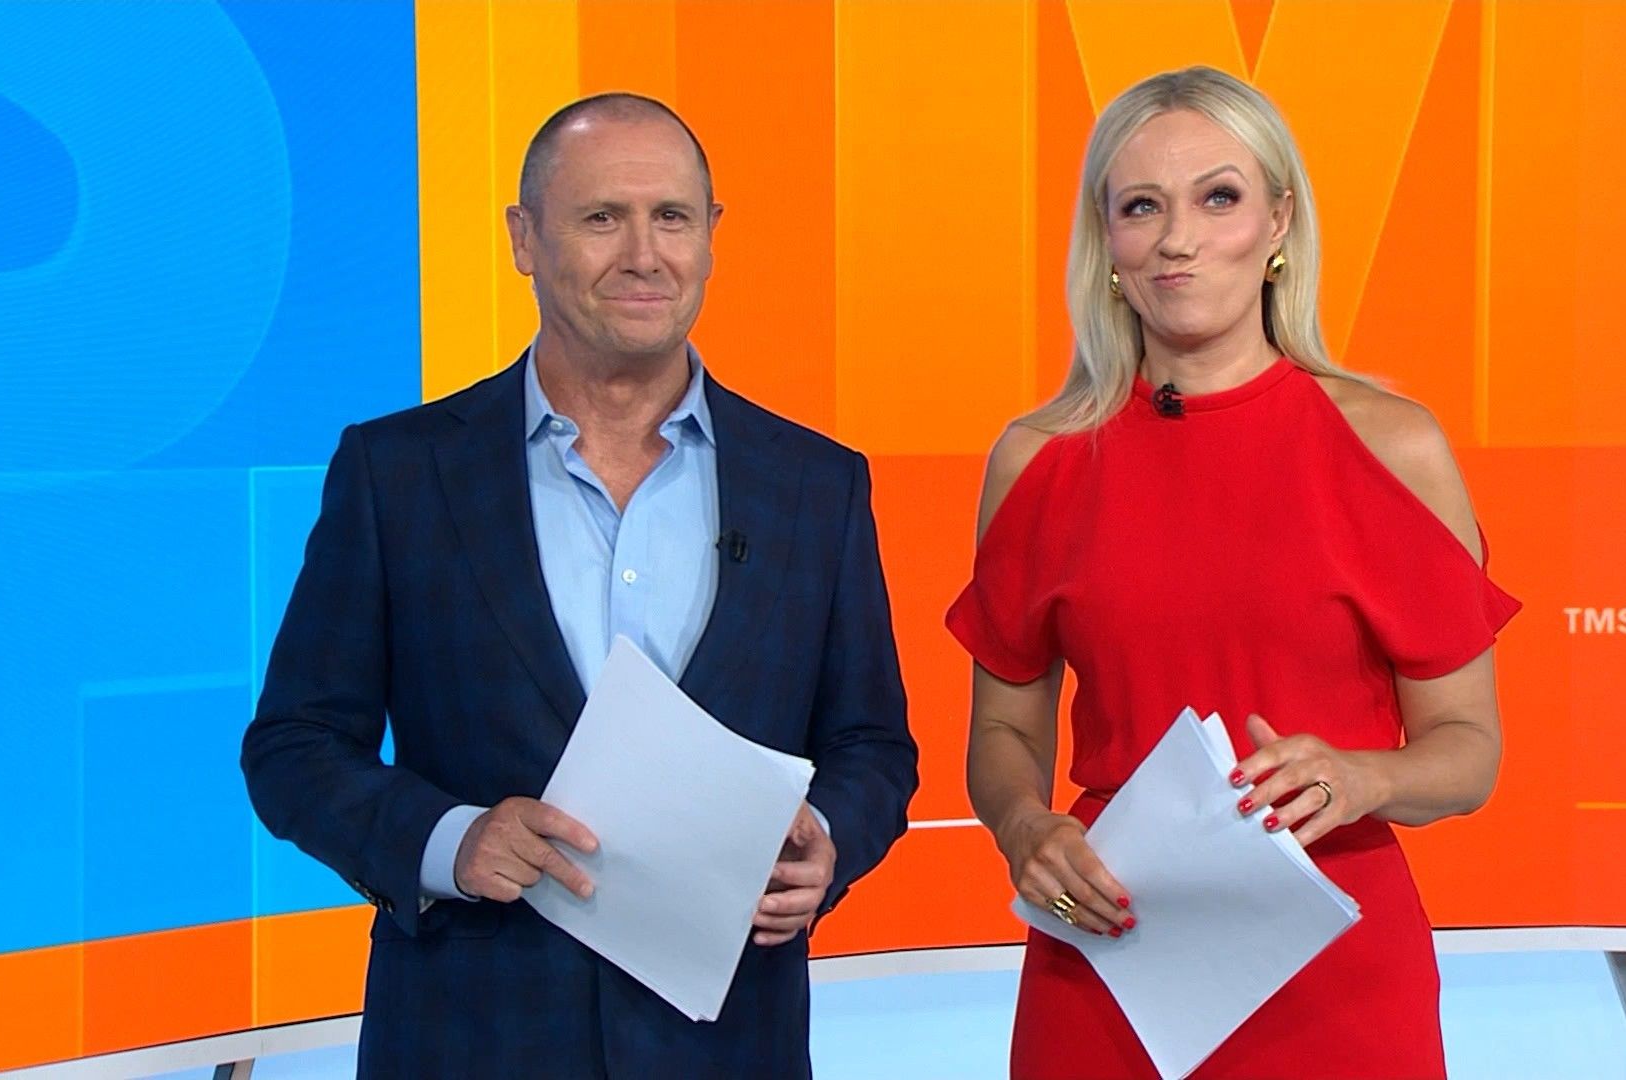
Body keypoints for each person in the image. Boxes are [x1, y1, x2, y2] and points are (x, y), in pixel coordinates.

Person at [243, 92, 918, 1079]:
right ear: (524, 238)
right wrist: (450, 842)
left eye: (671, 217)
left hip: (729, 1045)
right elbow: (295, 747)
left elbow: (872, 746)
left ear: (711, 236)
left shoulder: (816, 484)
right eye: (603, 217)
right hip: (470, 1040)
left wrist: (830, 839)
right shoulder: (398, 474)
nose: (644, 254)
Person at [947, 66, 1520, 1079]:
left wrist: (1364, 776)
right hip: (1112, 949)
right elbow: (1003, 733)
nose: (1178, 238)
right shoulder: (1038, 460)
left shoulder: (1391, 447)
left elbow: (1468, 751)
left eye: (1218, 197)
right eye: (1142, 207)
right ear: (1106, 241)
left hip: (1334, 972)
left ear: (1278, 223)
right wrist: (1023, 825)